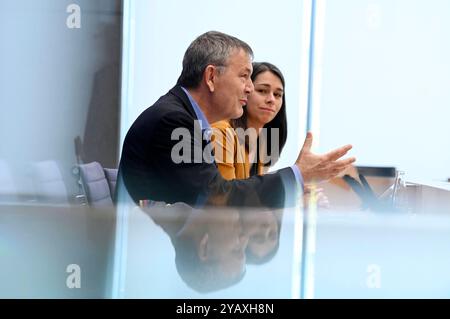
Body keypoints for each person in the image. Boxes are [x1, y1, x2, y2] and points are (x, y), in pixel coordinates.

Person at [117, 31, 355, 208]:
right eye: (245, 77)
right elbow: (218, 199)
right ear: (211, 77)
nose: (250, 88)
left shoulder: (184, 118)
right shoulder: (174, 122)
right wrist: (297, 175)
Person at [211, 61, 287, 179]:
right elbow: (227, 194)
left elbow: (259, 194)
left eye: (277, 94)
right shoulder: (222, 132)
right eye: (262, 91)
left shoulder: (263, 142)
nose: (271, 99)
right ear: (246, 91)